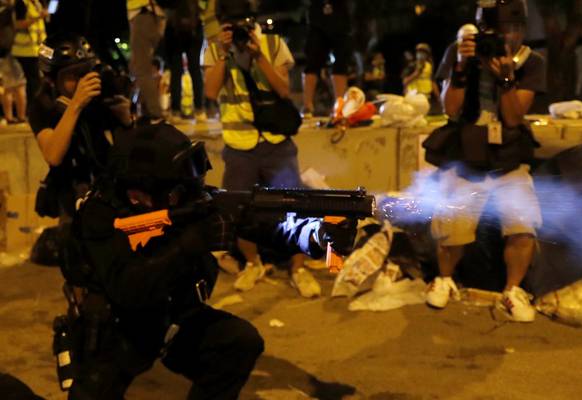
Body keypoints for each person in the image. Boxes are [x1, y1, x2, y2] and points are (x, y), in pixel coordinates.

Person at [58, 123, 356, 399]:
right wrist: (190, 244)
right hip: (118, 330)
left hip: (172, 317)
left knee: (238, 343)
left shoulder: (187, 202)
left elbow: (268, 227)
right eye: (177, 190)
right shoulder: (100, 216)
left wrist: (316, 236)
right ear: (138, 195)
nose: (191, 194)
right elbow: (128, 288)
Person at [424, 0, 546, 322]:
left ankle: (512, 291)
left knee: (523, 228)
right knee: (451, 232)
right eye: (503, 30)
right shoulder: (460, 52)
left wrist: (506, 79)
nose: (510, 37)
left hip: (507, 159)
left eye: (517, 29)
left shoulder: (531, 62)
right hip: (465, 158)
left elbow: (514, 117)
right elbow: (450, 109)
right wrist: (463, 67)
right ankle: (446, 279)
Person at [203, 0, 321, 297]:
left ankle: (298, 268)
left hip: (276, 142)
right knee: (239, 209)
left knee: (294, 206)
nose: (239, 28)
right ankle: (253, 263)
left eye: (243, 21)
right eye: (232, 23)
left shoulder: (272, 43)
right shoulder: (215, 48)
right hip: (238, 143)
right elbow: (210, 91)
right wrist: (225, 54)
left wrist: (259, 58)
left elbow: (283, 88)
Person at [29, 33, 132, 219]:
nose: (81, 81)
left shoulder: (97, 97)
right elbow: (53, 155)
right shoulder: (43, 106)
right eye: (72, 75)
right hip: (72, 196)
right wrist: (76, 104)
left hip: (108, 190)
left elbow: (127, 149)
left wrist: (127, 120)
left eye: (85, 72)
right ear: (51, 79)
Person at [302, 0, 352, 118]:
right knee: (312, 62)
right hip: (317, 18)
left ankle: (339, 105)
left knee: (341, 61)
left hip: (340, 17)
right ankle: (307, 106)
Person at [165, 0, 206, 123]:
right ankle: (200, 109)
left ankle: (176, 111)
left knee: (176, 71)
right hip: (195, 25)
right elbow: (204, 6)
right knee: (195, 70)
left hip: (173, 27)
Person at [127, 0, 166, 123]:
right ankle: (147, 113)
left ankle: (155, 114)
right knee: (140, 67)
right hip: (151, 13)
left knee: (141, 68)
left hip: (143, 12)